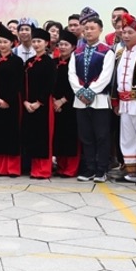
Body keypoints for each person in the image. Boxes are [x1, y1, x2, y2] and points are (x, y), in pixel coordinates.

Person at [69, 7, 115, 183]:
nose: (88, 32)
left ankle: (101, 169)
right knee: (86, 136)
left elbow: (106, 76)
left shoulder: (106, 51)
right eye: (86, 29)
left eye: (92, 28)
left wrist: (91, 91)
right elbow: (71, 74)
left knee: (102, 136)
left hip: (100, 101)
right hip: (80, 101)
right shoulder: (77, 52)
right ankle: (89, 169)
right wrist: (80, 91)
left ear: (100, 30)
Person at [112, 14, 136, 185]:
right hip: (124, 102)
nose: (126, 35)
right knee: (127, 138)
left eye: (130, 32)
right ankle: (131, 172)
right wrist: (115, 100)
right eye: (124, 32)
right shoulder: (119, 52)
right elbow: (115, 78)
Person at [0, 24, 23, 177]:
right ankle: (0, 167)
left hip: (11, 103)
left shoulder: (17, 61)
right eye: (0, 42)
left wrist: (7, 100)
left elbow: (18, 83)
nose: (2, 45)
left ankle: (13, 168)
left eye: (5, 42)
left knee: (11, 134)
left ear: (12, 43)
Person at [22, 28, 56, 179]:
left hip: (43, 104)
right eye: (34, 41)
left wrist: (38, 102)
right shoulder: (29, 62)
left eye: (39, 41)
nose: (36, 44)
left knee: (44, 136)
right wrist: (25, 101)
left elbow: (50, 84)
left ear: (46, 43)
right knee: (32, 135)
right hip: (28, 105)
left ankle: (44, 169)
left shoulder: (49, 62)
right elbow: (22, 83)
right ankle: (34, 168)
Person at [53, 30, 80, 177]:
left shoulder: (75, 64)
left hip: (70, 105)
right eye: (60, 44)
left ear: (73, 47)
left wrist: (62, 101)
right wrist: (53, 101)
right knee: (59, 136)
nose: (62, 47)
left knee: (71, 136)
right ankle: (61, 166)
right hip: (55, 106)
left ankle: (71, 168)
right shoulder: (54, 63)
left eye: (66, 44)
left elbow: (76, 86)